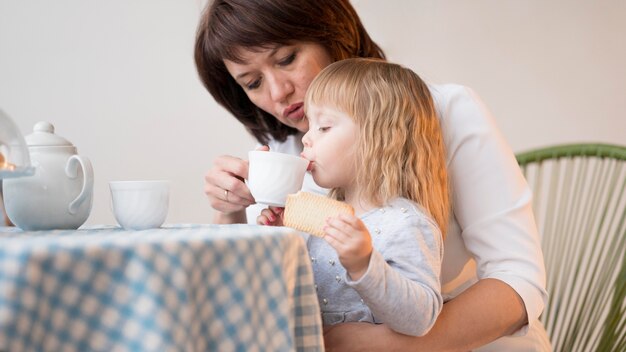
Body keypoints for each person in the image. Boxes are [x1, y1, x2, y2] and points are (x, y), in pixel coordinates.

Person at [195, 0, 550, 350]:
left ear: (332, 34)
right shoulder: (285, 154)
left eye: (286, 59)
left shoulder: (444, 112)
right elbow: (244, 287)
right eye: (253, 82)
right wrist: (230, 210)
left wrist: (395, 345)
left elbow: (518, 279)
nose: (277, 92)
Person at [258, 58, 448, 336]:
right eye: (309, 126)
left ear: (380, 138)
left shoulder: (406, 223)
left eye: (323, 127)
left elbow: (420, 319)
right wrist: (281, 240)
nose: (306, 139)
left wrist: (365, 264)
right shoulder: (324, 215)